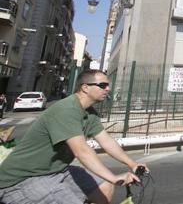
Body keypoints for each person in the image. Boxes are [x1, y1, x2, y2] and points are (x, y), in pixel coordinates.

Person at [0, 69, 147, 204]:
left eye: (108, 85)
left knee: (105, 185)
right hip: (22, 180)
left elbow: (107, 141)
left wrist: (132, 164)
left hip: (57, 171)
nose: (108, 89)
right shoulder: (67, 110)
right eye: (102, 85)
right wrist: (115, 177)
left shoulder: (90, 113)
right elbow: (81, 151)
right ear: (85, 87)